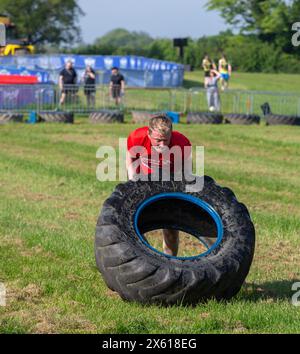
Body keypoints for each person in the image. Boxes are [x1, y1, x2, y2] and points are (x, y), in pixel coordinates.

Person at [126, 114, 192, 256]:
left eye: (166, 140)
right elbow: (131, 157)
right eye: (158, 141)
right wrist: (132, 180)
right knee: (131, 222)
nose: (162, 145)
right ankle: (143, 254)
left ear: (171, 134)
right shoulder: (137, 137)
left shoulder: (182, 143)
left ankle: (169, 260)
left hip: (169, 182)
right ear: (149, 134)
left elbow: (186, 172)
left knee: (171, 230)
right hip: (143, 180)